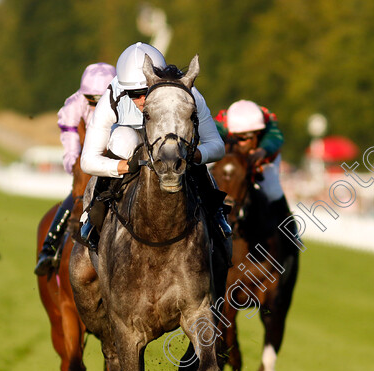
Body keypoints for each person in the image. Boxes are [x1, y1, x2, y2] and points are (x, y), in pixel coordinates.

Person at [78, 42, 229, 250]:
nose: (141, 100)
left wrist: (192, 155)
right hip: (130, 149)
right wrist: (123, 166)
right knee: (124, 137)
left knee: (187, 144)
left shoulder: (188, 94)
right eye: (134, 94)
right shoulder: (112, 96)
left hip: (173, 152)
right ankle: (96, 214)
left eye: (145, 91)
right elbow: (87, 160)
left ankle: (216, 214)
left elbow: (217, 146)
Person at [35, 62, 116, 275]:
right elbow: (71, 148)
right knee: (76, 197)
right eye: (92, 100)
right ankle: (49, 247)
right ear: (83, 96)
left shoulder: (124, 102)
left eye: (101, 100)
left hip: (115, 160)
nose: (96, 105)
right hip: (86, 160)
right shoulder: (73, 107)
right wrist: (79, 165)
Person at [214, 99, 293, 232]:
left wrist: (263, 150)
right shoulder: (221, 124)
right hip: (233, 159)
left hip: (265, 161)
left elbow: (276, 137)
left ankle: (290, 232)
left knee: (273, 191)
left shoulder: (267, 122)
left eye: (254, 135)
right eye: (242, 138)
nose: (250, 141)